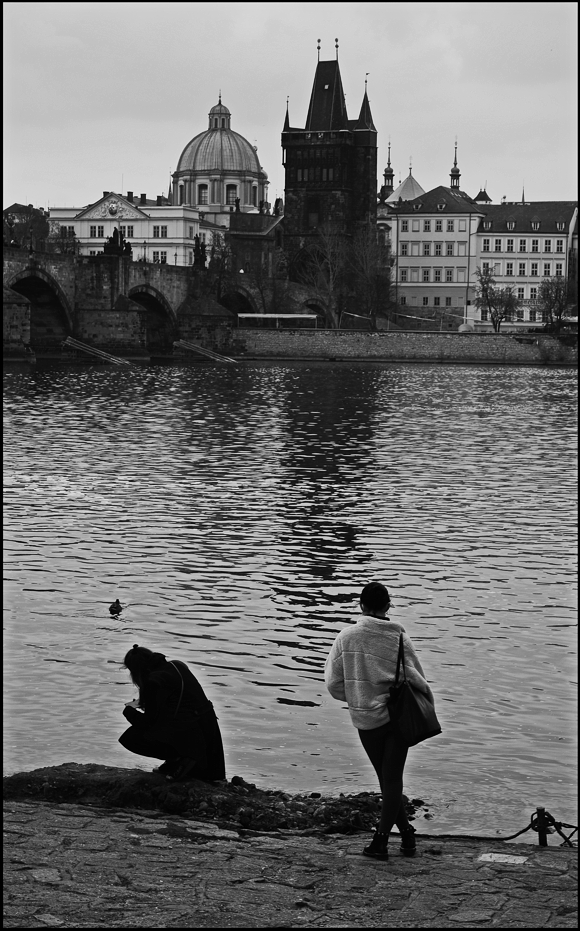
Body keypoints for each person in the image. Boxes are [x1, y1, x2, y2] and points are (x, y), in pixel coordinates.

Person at [324, 582, 435, 861]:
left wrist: (356, 698)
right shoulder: (399, 639)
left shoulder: (346, 638)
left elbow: (334, 683)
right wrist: (428, 701)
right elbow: (416, 679)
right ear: (387, 606)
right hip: (397, 717)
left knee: (386, 779)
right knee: (391, 779)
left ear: (361, 606)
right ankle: (404, 835)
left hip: (366, 718)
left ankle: (383, 840)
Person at [119, 645, 226, 782]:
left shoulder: (153, 681)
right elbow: (179, 703)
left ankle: (180, 757)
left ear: (135, 670)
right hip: (208, 727)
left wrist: (129, 712)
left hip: (191, 734)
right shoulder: (177, 666)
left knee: (130, 738)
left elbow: (148, 722)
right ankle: (177, 759)